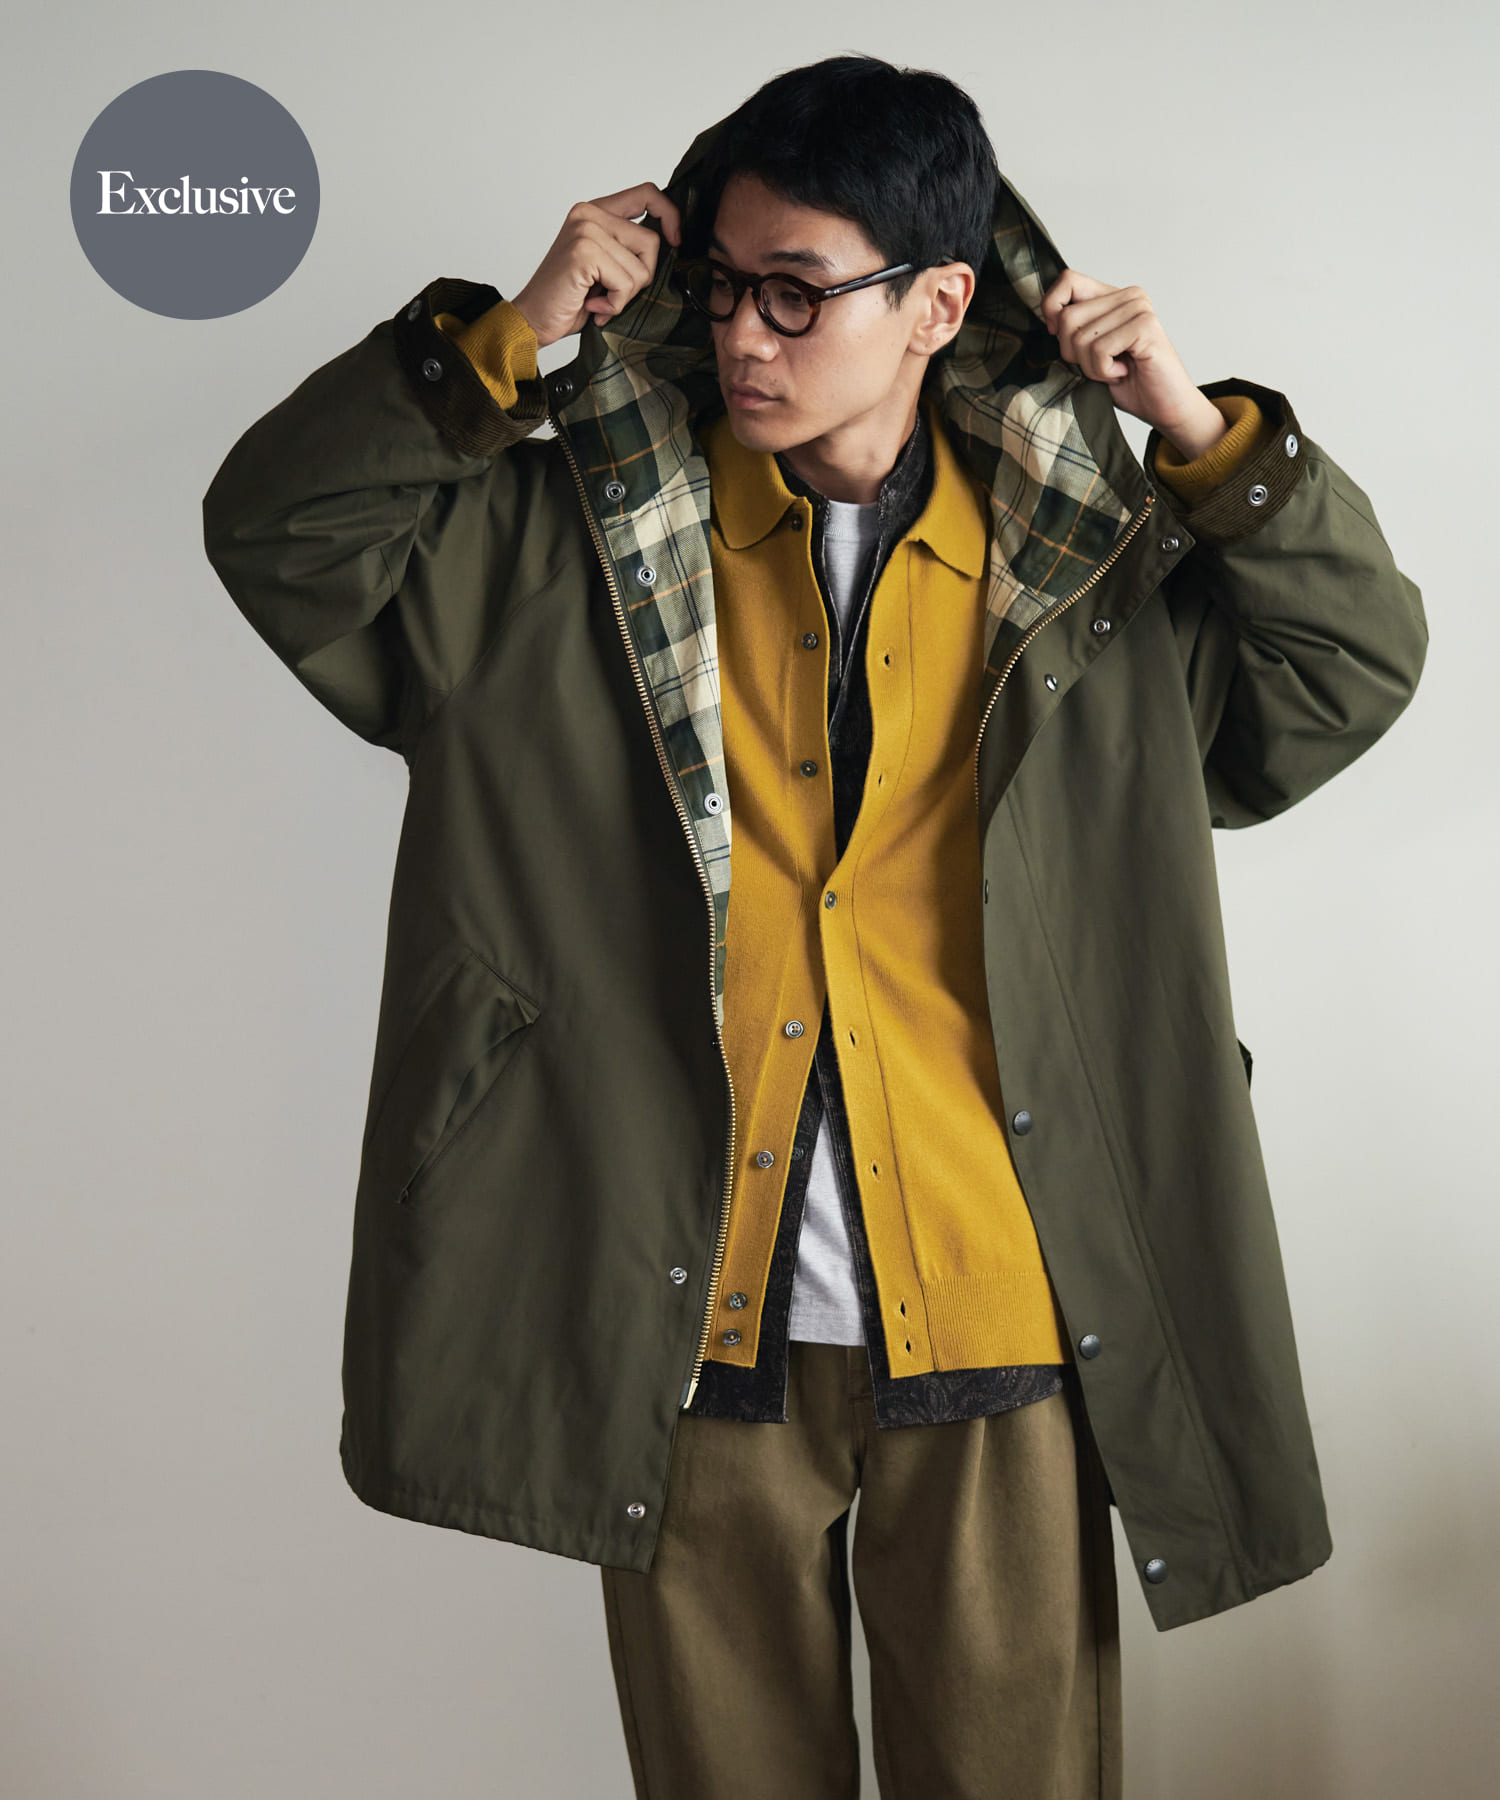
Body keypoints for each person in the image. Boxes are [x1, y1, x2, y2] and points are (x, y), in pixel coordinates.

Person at [201, 53, 1426, 1800]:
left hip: (1003, 1305)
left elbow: (1352, 663)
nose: (745, 337)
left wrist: (1200, 431)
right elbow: (279, 532)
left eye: (797, 292)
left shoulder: (1095, 565)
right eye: (723, 289)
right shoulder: (564, 545)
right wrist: (510, 338)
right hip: (688, 1304)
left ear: (939, 304)